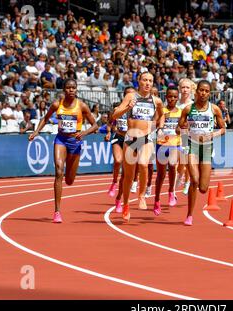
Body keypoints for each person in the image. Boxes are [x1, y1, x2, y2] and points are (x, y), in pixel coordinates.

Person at [29, 79, 98, 223]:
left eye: (73, 88)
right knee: (59, 171)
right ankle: (57, 211)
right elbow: (45, 118)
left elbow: (95, 125)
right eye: (68, 88)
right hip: (60, 140)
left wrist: (84, 133)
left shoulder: (82, 106)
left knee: (70, 180)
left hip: (75, 143)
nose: (71, 90)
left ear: (76, 90)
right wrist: (36, 132)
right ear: (64, 90)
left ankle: (69, 175)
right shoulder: (57, 105)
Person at [111, 72, 164, 222]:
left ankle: (141, 196)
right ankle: (126, 204)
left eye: (150, 80)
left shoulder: (157, 101)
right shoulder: (131, 97)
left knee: (143, 163)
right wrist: (127, 108)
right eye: (145, 80)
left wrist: (157, 126)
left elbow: (161, 115)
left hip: (146, 138)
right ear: (139, 81)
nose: (147, 83)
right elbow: (114, 115)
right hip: (130, 139)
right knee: (128, 177)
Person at [177, 80, 226, 226]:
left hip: (206, 148)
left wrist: (212, 135)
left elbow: (223, 129)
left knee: (203, 188)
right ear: (196, 91)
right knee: (195, 180)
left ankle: (192, 205)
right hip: (191, 146)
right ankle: (189, 215)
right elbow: (178, 128)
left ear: (209, 93)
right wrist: (183, 130)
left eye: (206, 91)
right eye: (201, 90)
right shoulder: (187, 109)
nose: (203, 93)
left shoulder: (215, 109)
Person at [106, 87, 136, 213]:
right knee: (118, 161)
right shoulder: (117, 109)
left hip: (130, 140)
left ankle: (119, 200)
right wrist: (108, 132)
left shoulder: (137, 110)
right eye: (128, 95)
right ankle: (113, 182)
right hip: (118, 137)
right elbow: (109, 122)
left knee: (125, 175)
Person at [153, 86, 181, 216]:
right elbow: (154, 123)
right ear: (166, 97)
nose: (172, 99)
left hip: (174, 144)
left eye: (175, 97)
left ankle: (171, 191)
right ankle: (157, 200)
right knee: (160, 175)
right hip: (161, 144)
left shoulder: (181, 112)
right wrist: (159, 124)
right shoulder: (161, 110)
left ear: (178, 97)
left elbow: (184, 127)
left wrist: (182, 130)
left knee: (173, 166)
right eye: (170, 96)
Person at [176, 78, 196, 195]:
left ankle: (187, 182)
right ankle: (181, 174)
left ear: (191, 89)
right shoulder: (176, 103)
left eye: (187, 88)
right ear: (179, 89)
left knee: (186, 160)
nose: (184, 90)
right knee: (178, 162)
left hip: (187, 135)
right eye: (183, 87)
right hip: (174, 135)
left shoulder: (193, 104)